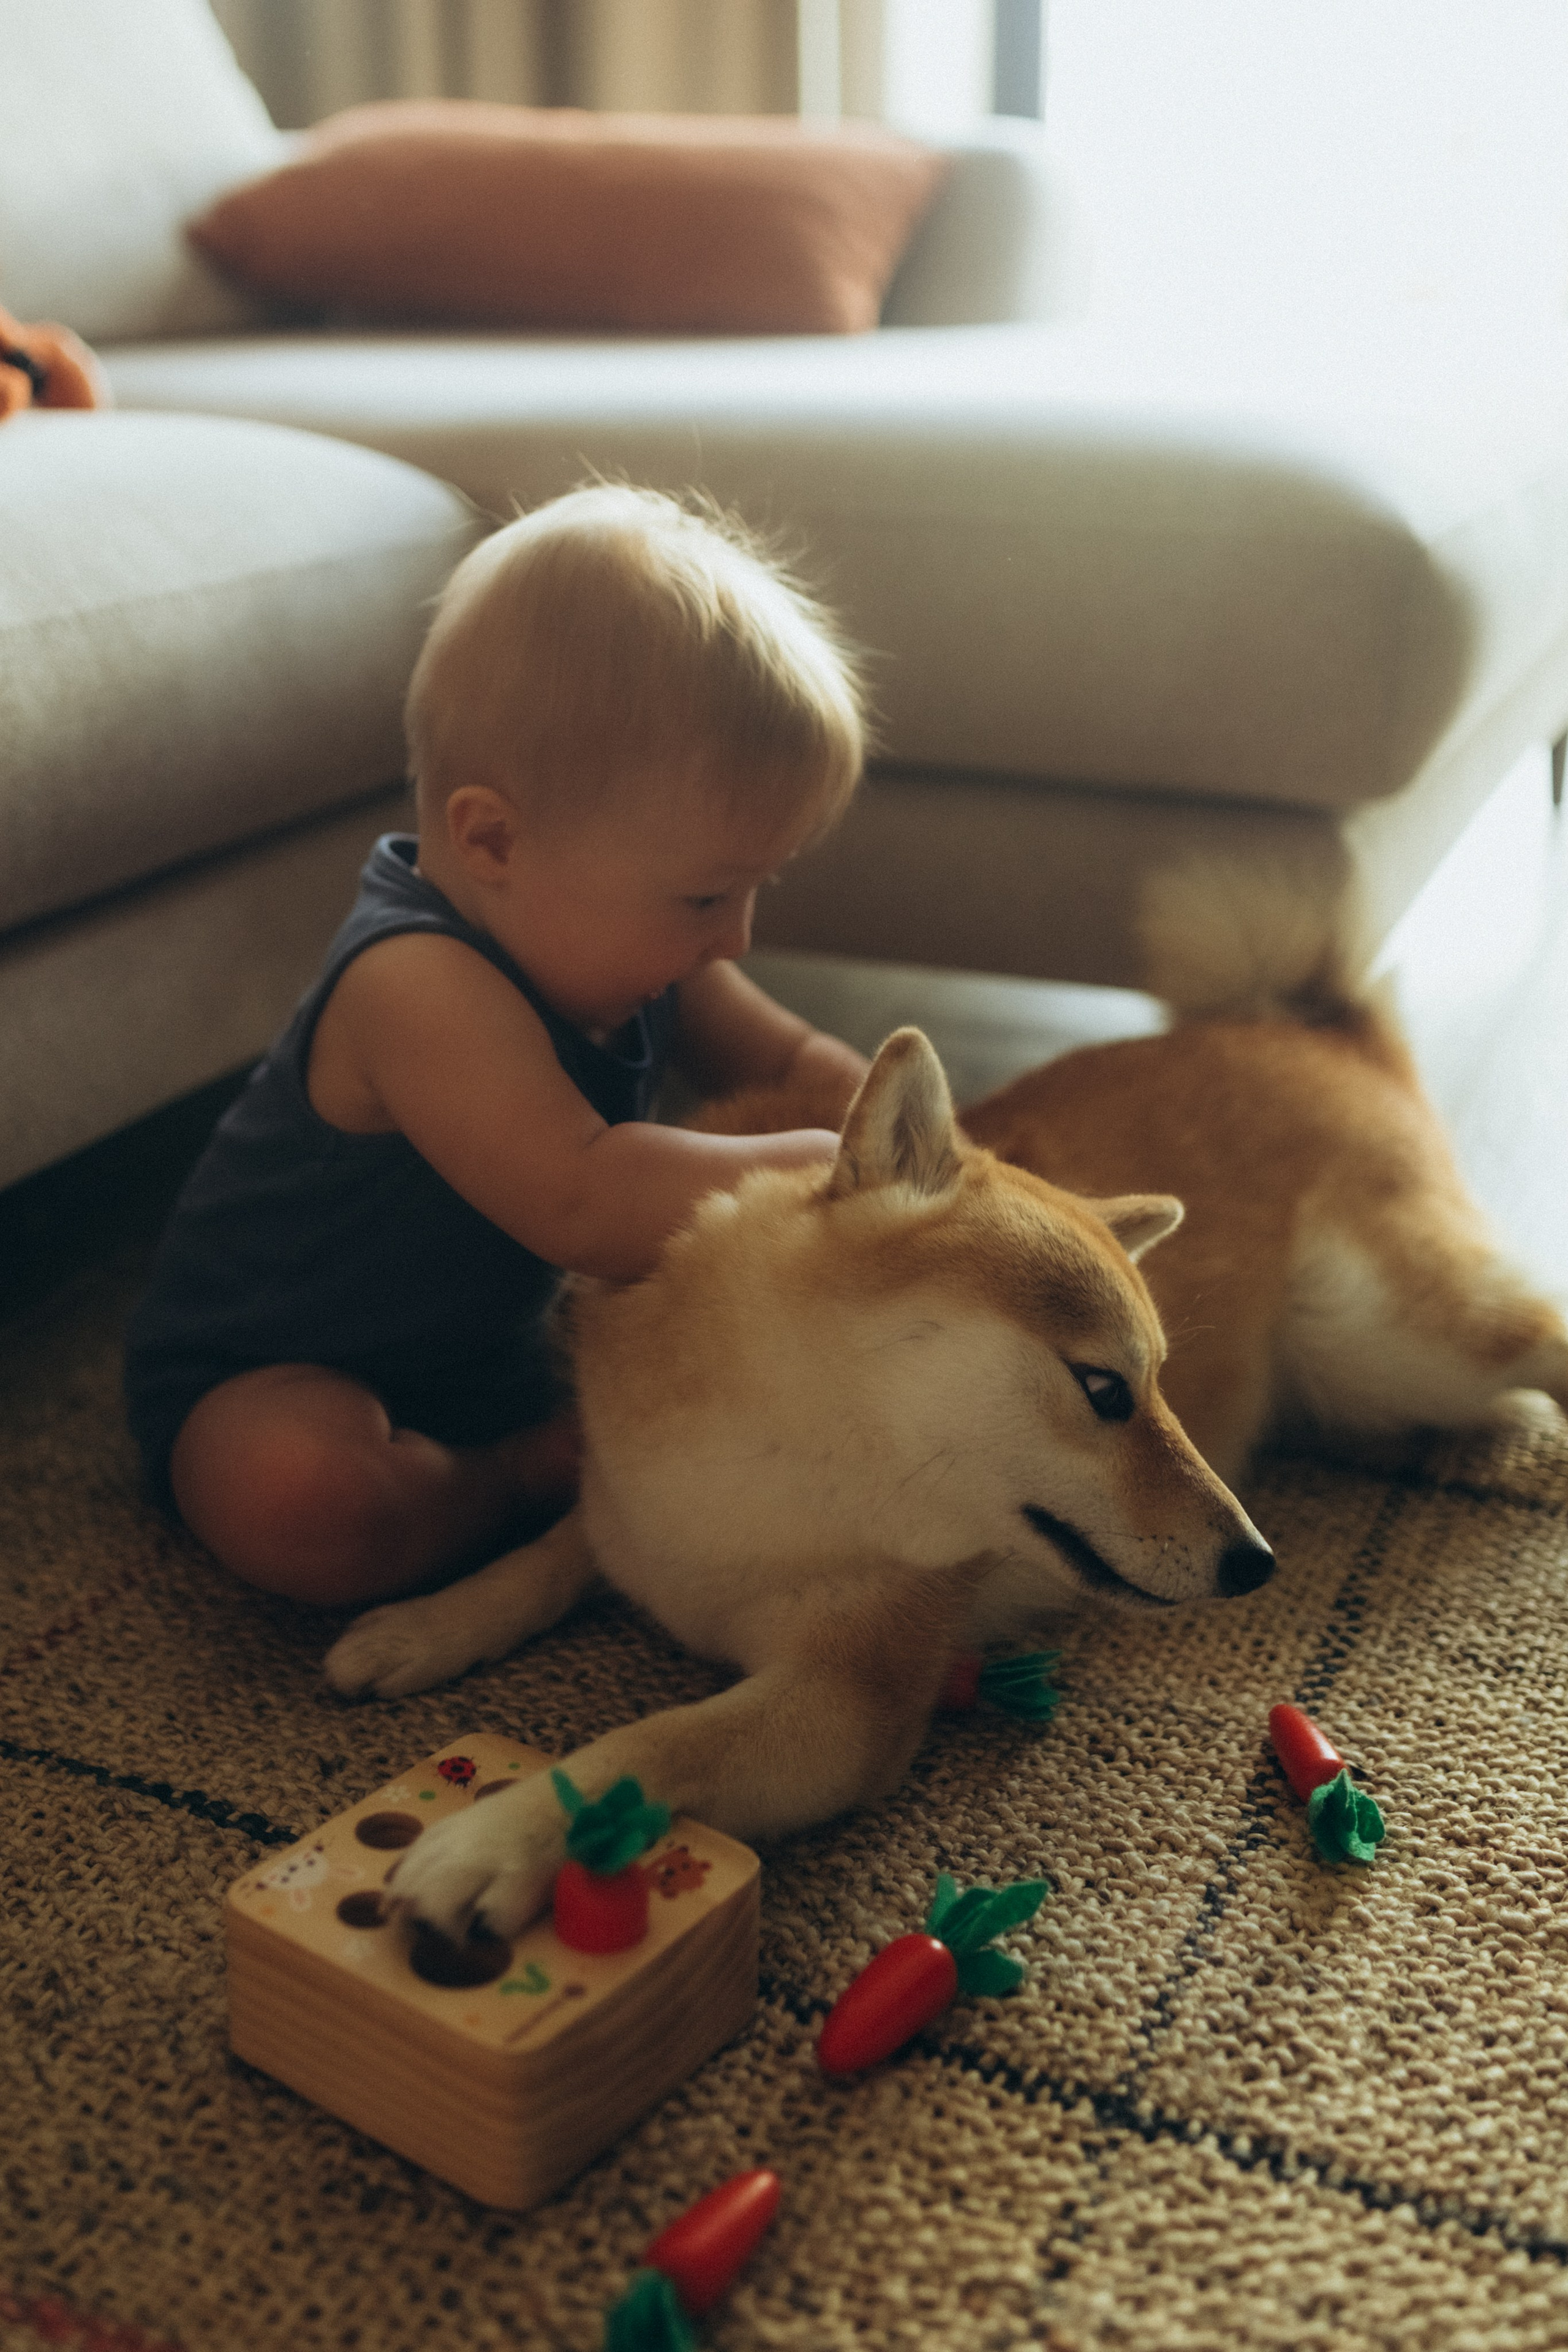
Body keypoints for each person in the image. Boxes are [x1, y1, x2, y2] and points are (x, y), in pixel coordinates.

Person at [124, 483, 872, 1610]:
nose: (736, 936)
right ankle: (514, 1479)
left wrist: (905, 1128)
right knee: (303, 1499)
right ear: (493, 840)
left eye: (756, 888)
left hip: (493, 1355)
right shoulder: (414, 984)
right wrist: (825, 1162)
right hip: (278, 1371)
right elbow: (584, 1196)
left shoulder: (653, 949)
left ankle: (527, 1442)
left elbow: (790, 1063)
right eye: (708, 894)